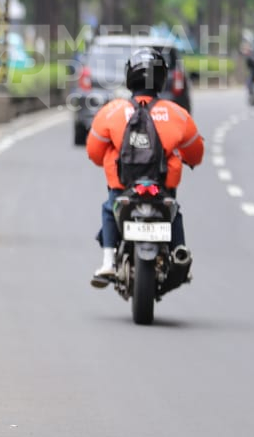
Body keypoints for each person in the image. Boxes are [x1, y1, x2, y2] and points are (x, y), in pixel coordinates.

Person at [85, 47, 204, 287]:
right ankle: (179, 252)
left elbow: (94, 152)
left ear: (130, 77)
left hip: (123, 189)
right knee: (174, 211)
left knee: (110, 208)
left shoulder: (113, 111)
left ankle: (108, 261)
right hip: (162, 190)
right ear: (161, 78)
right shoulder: (178, 115)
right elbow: (196, 153)